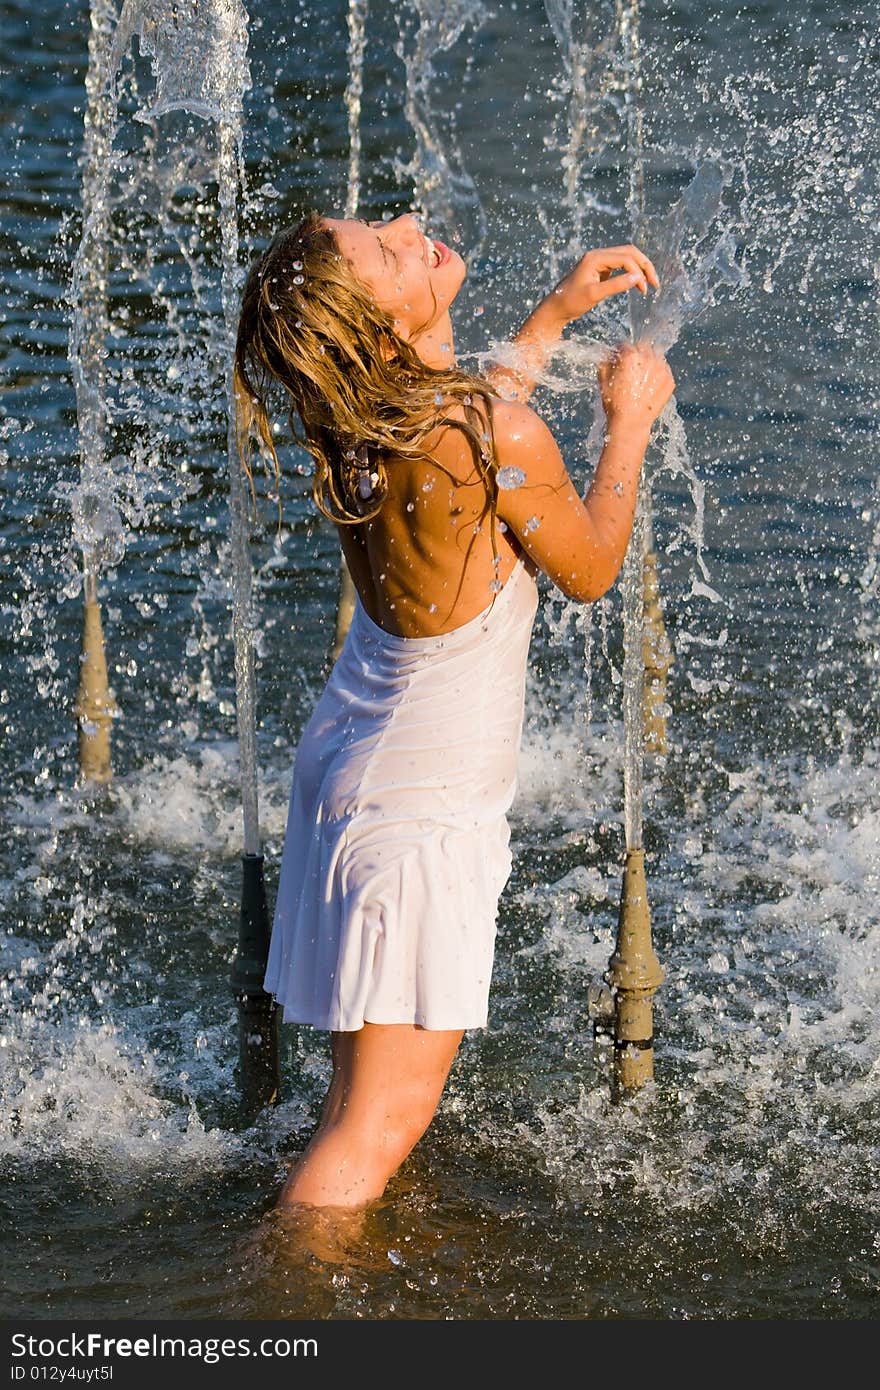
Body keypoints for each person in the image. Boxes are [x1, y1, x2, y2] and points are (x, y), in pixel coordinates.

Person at [234, 211, 674, 1211]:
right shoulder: (483, 430)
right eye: (386, 252)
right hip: (417, 812)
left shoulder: (366, 419)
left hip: (355, 772)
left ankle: (314, 1262)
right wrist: (630, 421)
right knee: (376, 1126)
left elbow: (482, 442)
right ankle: (273, 1307)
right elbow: (592, 564)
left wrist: (554, 316)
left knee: (357, 1102)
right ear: (380, 333)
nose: (406, 226)